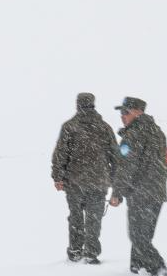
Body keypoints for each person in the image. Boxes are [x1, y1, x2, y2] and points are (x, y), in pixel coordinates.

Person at [51, 92, 120, 264]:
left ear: (77, 105)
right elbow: (116, 157)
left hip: (74, 182)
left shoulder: (69, 127)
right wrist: (114, 181)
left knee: (76, 218)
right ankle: (91, 253)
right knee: (94, 219)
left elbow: (60, 154)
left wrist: (58, 177)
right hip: (99, 183)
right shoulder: (104, 127)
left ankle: (75, 251)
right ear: (93, 105)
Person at [110, 97, 167, 275]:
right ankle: (137, 267)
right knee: (143, 236)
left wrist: (117, 193)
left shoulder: (133, 134)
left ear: (138, 112)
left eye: (126, 112)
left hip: (140, 194)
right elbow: (166, 163)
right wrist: (156, 183)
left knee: (138, 237)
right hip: (155, 193)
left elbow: (126, 166)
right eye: (121, 112)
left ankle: (159, 269)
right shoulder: (158, 132)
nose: (122, 116)